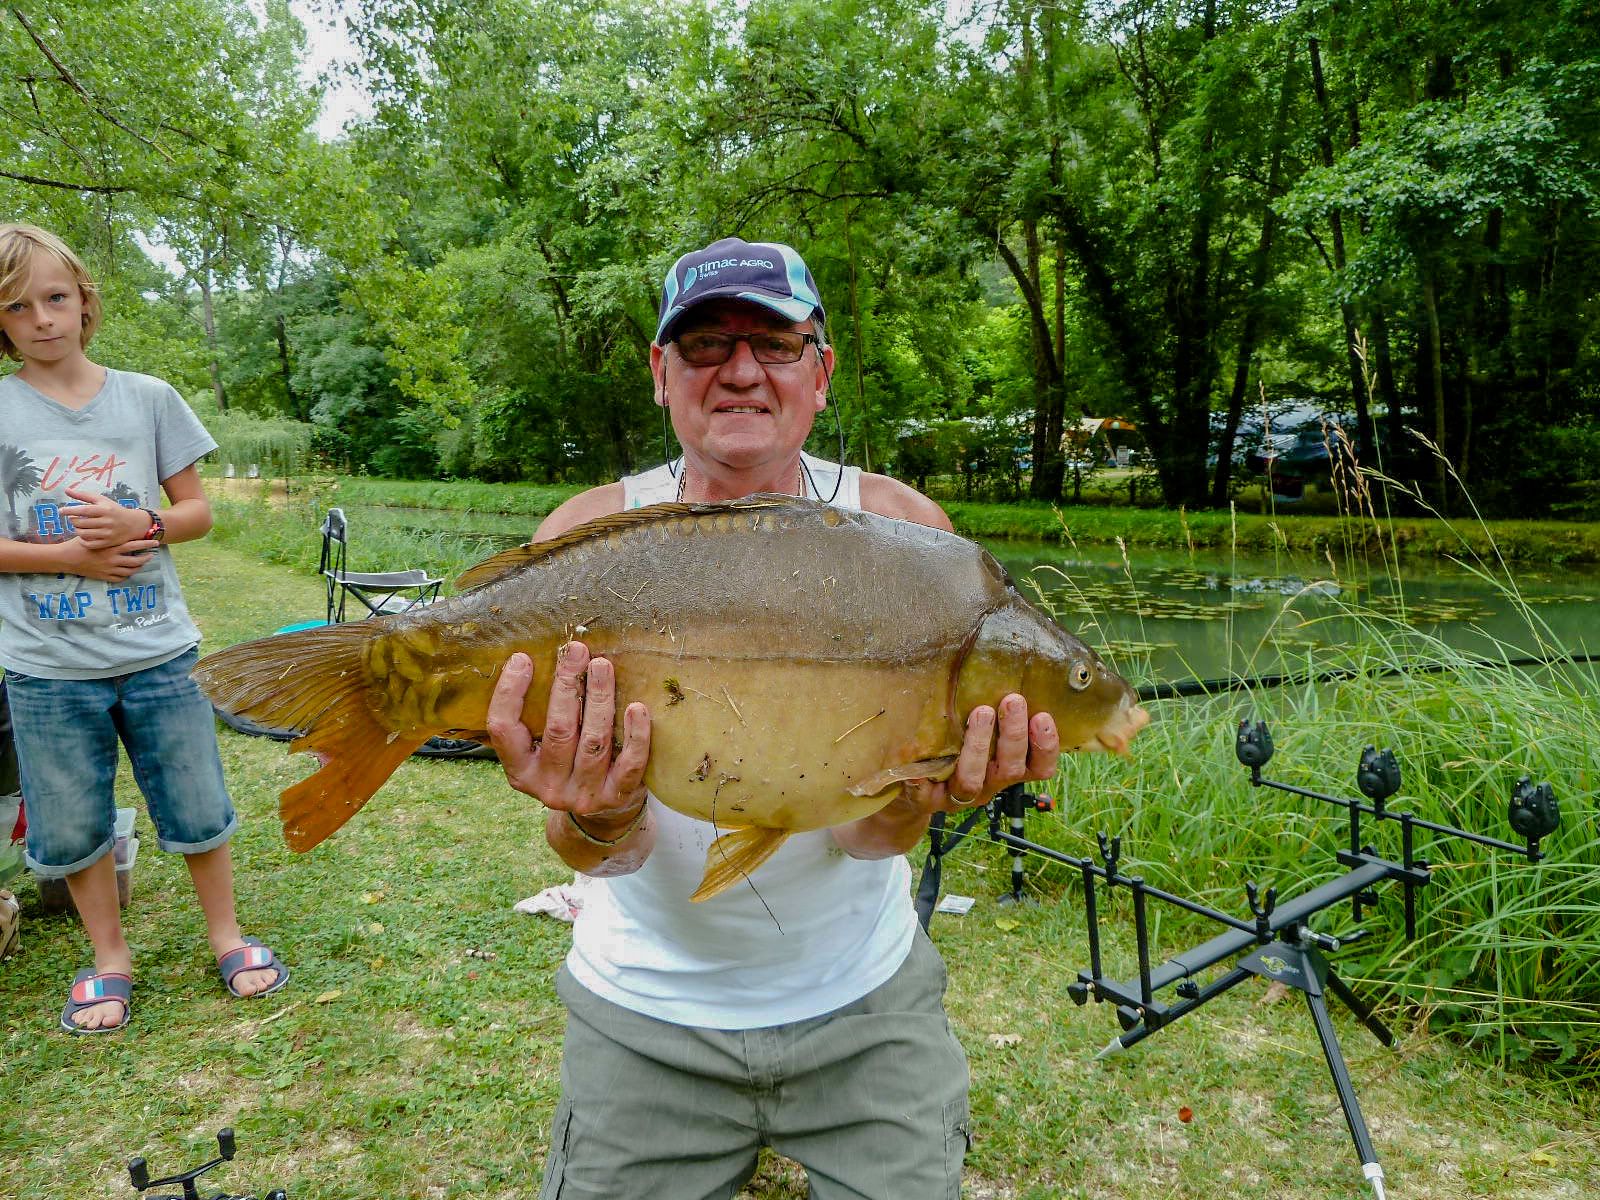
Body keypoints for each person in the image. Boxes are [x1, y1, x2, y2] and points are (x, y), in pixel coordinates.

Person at [485, 237, 1061, 1198]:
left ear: (821, 373)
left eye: (777, 343)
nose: (742, 370)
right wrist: (596, 809)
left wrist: (924, 792)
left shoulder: (905, 535)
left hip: (865, 1003)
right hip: (644, 1011)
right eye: (707, 344)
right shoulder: (586, 537)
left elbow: (876, 839)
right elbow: (586, 851)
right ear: (661, 374)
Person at [0, 224, 288, 1033]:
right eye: (18, 307)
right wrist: (71, 558)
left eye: (55, 298)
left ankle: (227, 937)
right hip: (46, 665)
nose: (42, 319)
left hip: (159, 650)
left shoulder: (149, 397)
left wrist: (142, 527)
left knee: (197, 803)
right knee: (72, 819)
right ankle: (110, 960)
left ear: (85, 300)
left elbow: (195, 512)